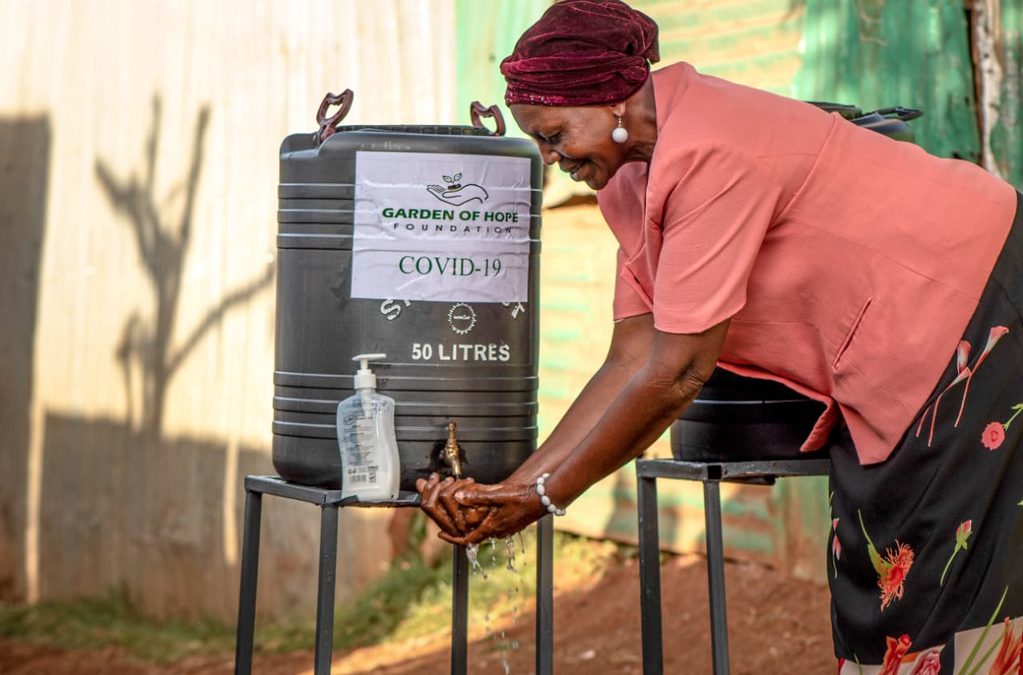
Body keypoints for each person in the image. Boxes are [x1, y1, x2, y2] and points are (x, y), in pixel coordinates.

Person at [416, 0, 1023, 669]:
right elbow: (629, 358)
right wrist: (516, 487)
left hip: (972, 291)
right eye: (539, 140)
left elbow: (676, 371)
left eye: (555, 132)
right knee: (879, 563)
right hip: (894, 341)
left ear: (613, 101)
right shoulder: (630, 178)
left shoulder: (709, 144)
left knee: (944, 565)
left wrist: (541, 497)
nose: (550, 155)